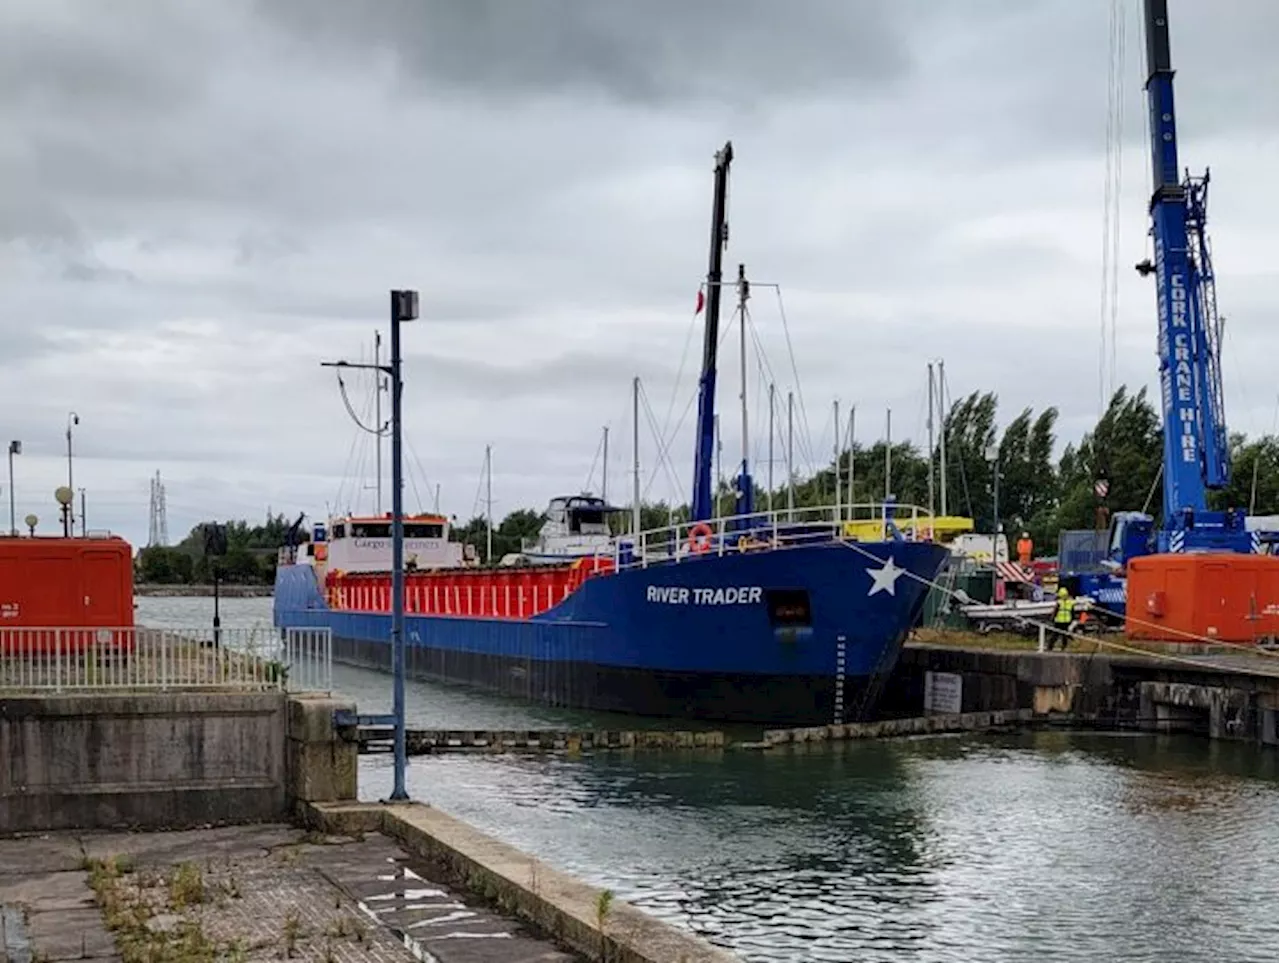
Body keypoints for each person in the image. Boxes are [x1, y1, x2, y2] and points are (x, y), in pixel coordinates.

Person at [1051, 586, 1073, 651]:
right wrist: (1071, 620)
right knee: (1064, 635)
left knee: (1055, 635)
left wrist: (1052, 618)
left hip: (1059, 621)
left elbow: (1055, 611)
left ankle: (1050, 647)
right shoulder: (1070, 602)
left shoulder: (1059, 602)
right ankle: (1064, 647)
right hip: (1066, 621)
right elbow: (1072, 612)